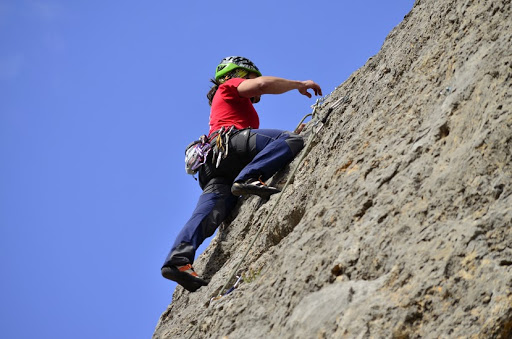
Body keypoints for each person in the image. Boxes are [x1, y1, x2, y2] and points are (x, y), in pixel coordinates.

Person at [161, 56, 322, 292]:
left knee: (208, 213)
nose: (254, 84)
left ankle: (178, 260)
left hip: (214, 167)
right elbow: (262, 86)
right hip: (229, 147)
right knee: (289, 139)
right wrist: (298, 84)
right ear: (235, 75)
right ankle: (248, 177)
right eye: (250, 77)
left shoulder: (230, 106)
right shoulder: (229, 86)